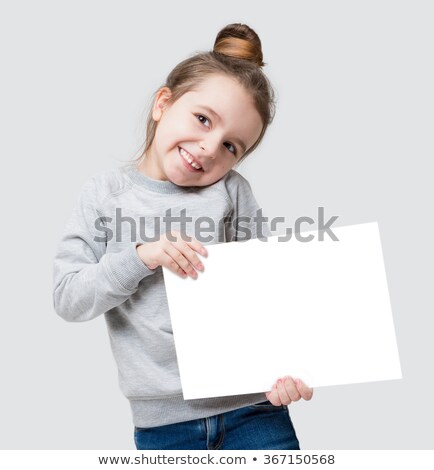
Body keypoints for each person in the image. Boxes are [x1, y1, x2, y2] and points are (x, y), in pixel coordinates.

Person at [53, 23, 313, 451]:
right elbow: (68, 297)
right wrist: (140, 257)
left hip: (255, 412)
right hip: (163, 428)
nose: (211, 147)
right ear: (162, 103)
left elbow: (267, 299)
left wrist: (288, 371)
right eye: (202, 119)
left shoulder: (232, 192)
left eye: (232, 146)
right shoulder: (103, 195)